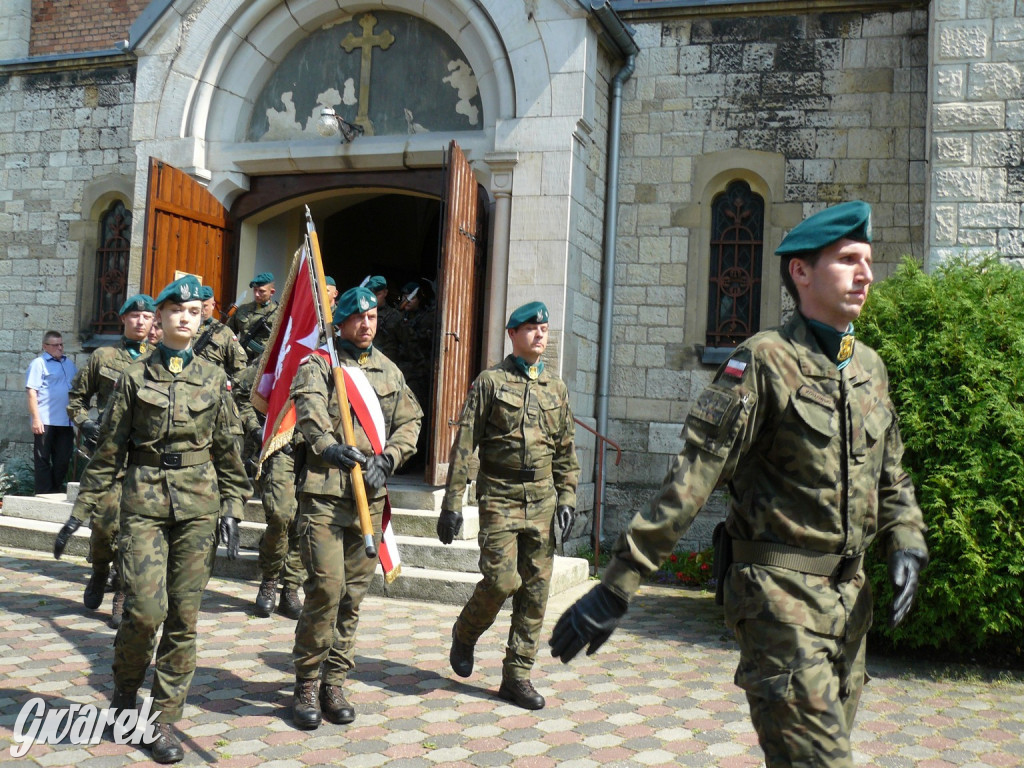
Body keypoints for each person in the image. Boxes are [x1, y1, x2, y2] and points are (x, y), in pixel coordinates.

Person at [549, 201, 929, 768]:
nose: (866, 274)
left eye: (868, 261)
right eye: (849, 259)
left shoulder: (869, 367)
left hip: (850, 607)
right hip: (780, 602)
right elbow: (692, 479)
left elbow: (892, 473)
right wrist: (617, 586)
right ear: (800, 272)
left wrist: (908, 541)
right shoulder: (764, 361)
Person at [69, 275, 251, 763]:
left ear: (201, 318)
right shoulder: (132, 376)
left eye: (194, 311)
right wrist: (81, 510)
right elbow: (109, 451)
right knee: (146, 612)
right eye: (176, 310)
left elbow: (228, 450)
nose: (185, 317)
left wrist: (233, 508)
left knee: (183, 619)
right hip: (145, 503)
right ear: (161, 319)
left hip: (198, 506)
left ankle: (163, 720)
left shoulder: (214, 379)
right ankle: (125, 696)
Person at [290, 286, 422, 729]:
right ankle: (307, 681)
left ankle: (334, 681)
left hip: (371, 499)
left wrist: (390, 458)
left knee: (352, 597)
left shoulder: (388, 371)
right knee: (326, 590)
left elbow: (411, 421)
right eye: (358, 318)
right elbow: (308, 413)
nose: (367, 324)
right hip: (326, 496)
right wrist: (328, 448)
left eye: (372, 317)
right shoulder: (319, 365)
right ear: (341, 322)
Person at [437, 301, 579, 710]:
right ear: (512, 334)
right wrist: (452, 503)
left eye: (545, 328)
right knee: (502, 582)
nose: (540, 334)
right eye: (531, 328)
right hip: (499, 497)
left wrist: (567, 497)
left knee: (535, 592)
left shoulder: (557, 388)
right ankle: (465, 632)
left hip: (543, 502)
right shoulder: (490, 383)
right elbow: (465, 445)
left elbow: (566, 453)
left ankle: (517, 675)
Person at [56, 294, 156, 628]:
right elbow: (76, 398)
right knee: (103, 526)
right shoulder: (104, 356)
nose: (140, 321)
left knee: (134, 531)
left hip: (144, 459)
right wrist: (84, 422)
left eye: (146, 316)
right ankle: (99, 571)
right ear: (123, 319)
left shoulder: (159, 360)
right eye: (134, 316)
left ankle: (122, 594)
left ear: (154, 322)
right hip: (109, 457)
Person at [233, 360, 303, 620]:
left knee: (304, 520)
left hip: (316, 448)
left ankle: (291, 587)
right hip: (278, 446)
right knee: (281, 515)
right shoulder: (280, 354)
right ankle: (270, 578)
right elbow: (240, 394)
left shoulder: (329, 359)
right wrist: (257, 429)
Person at [25, 330, 78, 494]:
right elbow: (32, 391)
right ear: (45, 346)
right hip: (45, 420)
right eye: (55, 345)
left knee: (62, 460)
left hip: (66, 421)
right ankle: (43, 493)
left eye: (61, 344)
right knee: (42, 459)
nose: (60, 348)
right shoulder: (38, 364)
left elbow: (77, 389)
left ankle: (53, 491)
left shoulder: (69, 364)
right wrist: (36, 419)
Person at [194, 286, 247, 377]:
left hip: (213, 387)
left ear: (213, 305)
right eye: (198, 306)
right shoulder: (187, 328)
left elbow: (240, 369)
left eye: (204, 306)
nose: (201, 310)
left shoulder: (225, 332)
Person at [228, 271, 279, 362]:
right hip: (240, 360)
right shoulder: (243, 309)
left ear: (272, 292)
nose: (256, 294)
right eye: (255, 290)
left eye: (261, 291)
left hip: (263, 362)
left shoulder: (278, 314)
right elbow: (228, 332)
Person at [364, 275, 399, 360]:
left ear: (385, 293)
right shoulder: (362, 314)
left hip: (386, 362)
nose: (373, 298)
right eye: (371, 294)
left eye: (377, 294)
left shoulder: (395, 316)